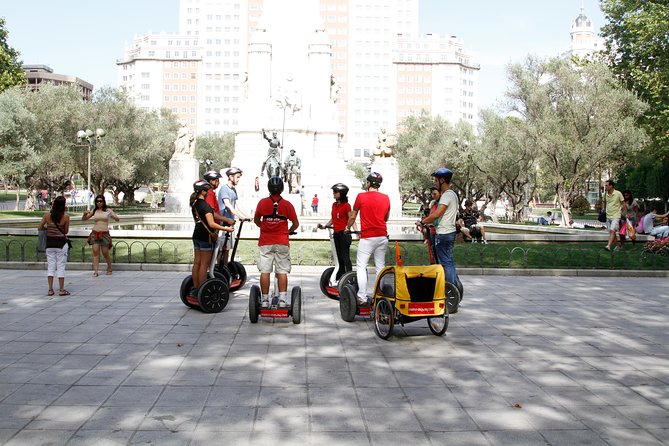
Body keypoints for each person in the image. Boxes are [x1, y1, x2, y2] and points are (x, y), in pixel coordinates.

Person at [254, 176, 299, 308]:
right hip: (282, 241)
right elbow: (295, 224)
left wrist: (264, 226)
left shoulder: (262, 203)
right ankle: (283, 300)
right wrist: (289, 231)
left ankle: (265, 299)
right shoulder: (287, 205)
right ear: (282, 189)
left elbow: (256, 220)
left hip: (266, 242)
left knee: (265, 271)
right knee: (282, 271)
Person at [347, 172, 390, 305]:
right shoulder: (386, 198)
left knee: (361, 266)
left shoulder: (361, 196)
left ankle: (362, 297)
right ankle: (379, 295)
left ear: (369, 183)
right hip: (382, 236)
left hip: (368, 237)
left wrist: (347, 228)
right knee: (380, 266)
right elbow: (386, 218)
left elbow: (353, 216)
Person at [190, 180, 234, 294]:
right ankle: (202, 290)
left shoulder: (195, 203)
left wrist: (226, 220)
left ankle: (196, 288)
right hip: (206, 236)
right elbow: (211, 223)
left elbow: (211, 215)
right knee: (204, 264)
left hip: (196, 235)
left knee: (197, 263)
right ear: (204, 191)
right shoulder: (205, 205)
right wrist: (226, 228)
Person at [421, 168, 459, 287]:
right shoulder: (452, 194)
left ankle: (450, 289)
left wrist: (424, 221)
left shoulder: (447, 195)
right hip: (449, 232)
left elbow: (438, 214)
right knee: (448, 261)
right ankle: (454, 287)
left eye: (436, 180)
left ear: (442, 180)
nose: (434, 182)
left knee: (445, 262)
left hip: (444, 233)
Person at [318, 183, 353, 280]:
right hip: (336, 234)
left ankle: (350, 276)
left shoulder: (346, 206)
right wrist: (325, 226)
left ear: (341, 193)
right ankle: (341, 276)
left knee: (345, 257)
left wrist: (350, 229)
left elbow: (351, 218)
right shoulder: (334, 205)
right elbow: (333, 219)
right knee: (338, 257)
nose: (333, 193)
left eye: (335, 192)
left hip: (344, 234)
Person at [38, 196, 71, 296]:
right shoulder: (66, 217)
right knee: (61, 266)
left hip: (50, 244)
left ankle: (50, 289)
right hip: (61, 244)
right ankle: (61, 290)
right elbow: (65, 231)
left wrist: (48, 228)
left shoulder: (47, 215)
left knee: (51, 266)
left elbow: (39, 227)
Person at [217, 167, 250, 264]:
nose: (239, 180)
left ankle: (225, 268)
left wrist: (246, 215)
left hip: (230, 223)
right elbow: (227, 204)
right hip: (223, 223)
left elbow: (237, 204)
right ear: (231, 177)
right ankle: (220, 269)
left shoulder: (233, 190)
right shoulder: (224, 189)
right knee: (221, 248)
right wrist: (239, 216)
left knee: (227, 248)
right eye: (237, 177)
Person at [82, 194, 120, 276]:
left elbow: (117, 219)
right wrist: (84, 214)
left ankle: (109, 267)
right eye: (97, 201)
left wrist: (113, 216)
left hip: (104, 233)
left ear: (103, 202)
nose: (99, 203)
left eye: (101, 201)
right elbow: (84, 219)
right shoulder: (94, 211)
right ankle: (96, 271)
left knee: (105, 252)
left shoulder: (108, 210)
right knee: (95, 252)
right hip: (95, 233)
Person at [603, 179, 627, 252]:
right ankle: (617, 245)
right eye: (605, 185)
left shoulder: (618, 193)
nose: (605, 187)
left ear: (611, 186)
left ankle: (608, 246)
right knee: (611, 232)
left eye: (607, 185)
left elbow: (623, 203)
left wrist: (625, 213)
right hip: (608, 215)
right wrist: (603, 209)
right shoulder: (605, 194)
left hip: (616, 215)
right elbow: (604, 202)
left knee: (612, 230)